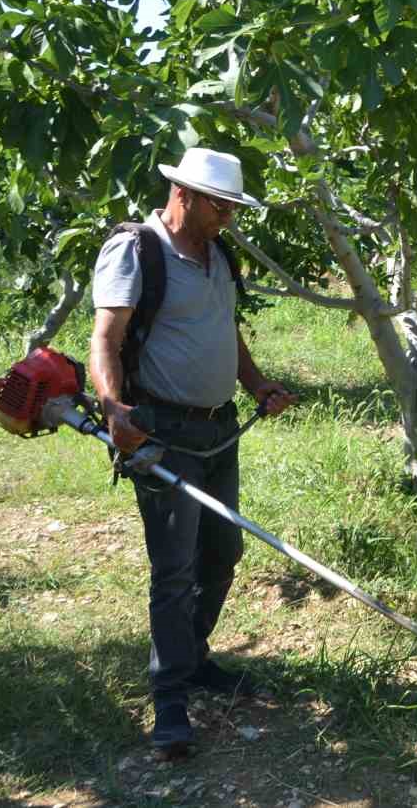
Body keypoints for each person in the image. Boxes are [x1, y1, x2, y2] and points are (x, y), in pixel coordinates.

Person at [89, 146, 296, 757]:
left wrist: (256, 384)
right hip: (163, 433)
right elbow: (107, 335)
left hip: (220, 430)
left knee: (222, 551)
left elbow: (223, 329)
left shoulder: (217, 255)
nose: (229, 215)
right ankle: (170, 697)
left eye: (233, 205)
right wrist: (113, 408)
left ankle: (194, 657)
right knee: (174, 568)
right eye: (222, 204)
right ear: (184, 195)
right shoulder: (137, 250)